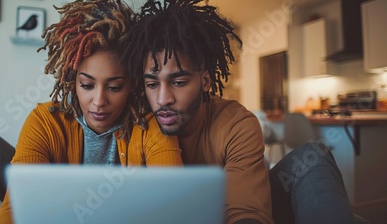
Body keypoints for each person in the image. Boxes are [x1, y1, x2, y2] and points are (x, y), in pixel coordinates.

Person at [0, 1, 183, 223]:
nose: (99, 101)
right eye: (87, 85)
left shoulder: (151, 124)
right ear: (71, 80)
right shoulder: (46, 120)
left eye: (115, 87)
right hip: (54, 211)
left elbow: (174, 203)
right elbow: (16, 204)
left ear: (132, 84)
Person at [120, 0, 355, 223]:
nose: (163, 99)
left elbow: (246, 210)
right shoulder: (139, 126)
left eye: (178, 82)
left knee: (313, 156)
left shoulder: (236, 123)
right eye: (152, 84)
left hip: (234, 211)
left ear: (205, 81)